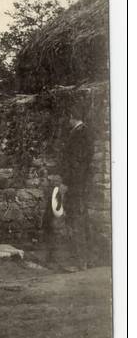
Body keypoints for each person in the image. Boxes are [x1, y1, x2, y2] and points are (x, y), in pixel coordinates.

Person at [60, 110, 94, 270]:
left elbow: (76, 162)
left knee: (76, 219)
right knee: (81, 218)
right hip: (81, 183)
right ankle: (87, 260)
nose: (66, 121)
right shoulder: (84, 132)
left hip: (76, 184)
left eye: (68, 117)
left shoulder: (79, 134)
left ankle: (80, 262)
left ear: (72, 116)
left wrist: (66, 182)